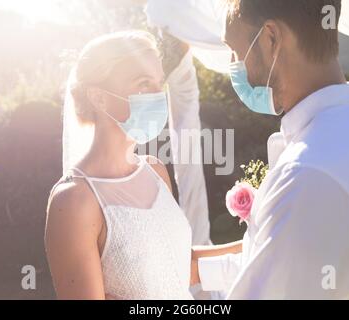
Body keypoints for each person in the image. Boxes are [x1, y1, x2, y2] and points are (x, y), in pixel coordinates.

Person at [191, 0, 349, 299]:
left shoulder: (309, 174)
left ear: (271, 39)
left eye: (235, 50)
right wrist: (195, 270)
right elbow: (296, 262)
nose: (234, 65)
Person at [44, 31, 221, 299]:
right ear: (99, 97)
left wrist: (257, 241)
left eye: (159, 83)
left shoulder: (155, 171)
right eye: (143, 84)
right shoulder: (74, 201)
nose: (157, 95)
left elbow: (176, 268)